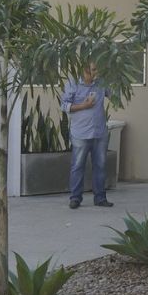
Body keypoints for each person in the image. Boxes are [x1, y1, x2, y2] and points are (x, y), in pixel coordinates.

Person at [61, 62, 114, 209]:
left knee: (100, 166)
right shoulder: (73, 84)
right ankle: (75, 198)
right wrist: (83, 106)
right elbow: (64, 105)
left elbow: (114, 95)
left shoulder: (101, 83)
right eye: (94, 70)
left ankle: (100, 198)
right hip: (80, 133)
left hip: (99, 132)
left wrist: (116, 80)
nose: (96, 72)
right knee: (77, 166)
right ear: (85, 71)